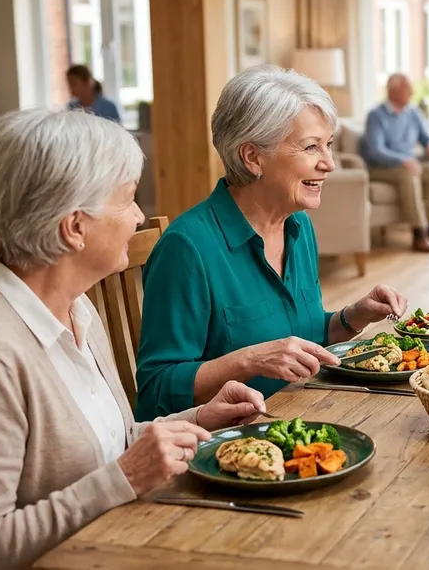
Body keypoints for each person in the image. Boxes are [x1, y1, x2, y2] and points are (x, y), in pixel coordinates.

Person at [0, 108, 267, 570]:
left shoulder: (76, 306)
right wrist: (124, 477)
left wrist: (199, 418)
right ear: (74, 227)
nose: (139, 216)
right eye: (127, 198)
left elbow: (97, 448)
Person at [135, 65, 408, 421]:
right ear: (253, 157)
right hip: (226, 447)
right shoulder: (186, 248)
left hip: (305, 418)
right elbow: (155, 390)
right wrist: (248, 360)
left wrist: (352, 317)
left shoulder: (298, 226)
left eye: (327, 145)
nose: (329, 164)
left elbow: (297, 337)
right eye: (311, 147)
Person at [360, 73, 429, 252]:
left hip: (409, 164)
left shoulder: (413, 112)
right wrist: (402, 160)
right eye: (407, 88)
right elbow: (376, 150)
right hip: (381, 167)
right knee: (407, 173)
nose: (412, 92)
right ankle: (419, 233)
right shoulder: (376, 115)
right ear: (393, 92)